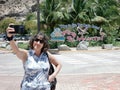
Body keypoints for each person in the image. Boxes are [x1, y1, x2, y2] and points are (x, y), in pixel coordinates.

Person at [6, 25, 62, 90]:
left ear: (44, 44)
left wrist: (53, 75)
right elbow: (16, 50)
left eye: (41, 41)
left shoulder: (46, 54)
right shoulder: (26, 54)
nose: (38, 43)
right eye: (36, 40)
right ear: (33, 41)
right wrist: (10, 38)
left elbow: (59, 64)